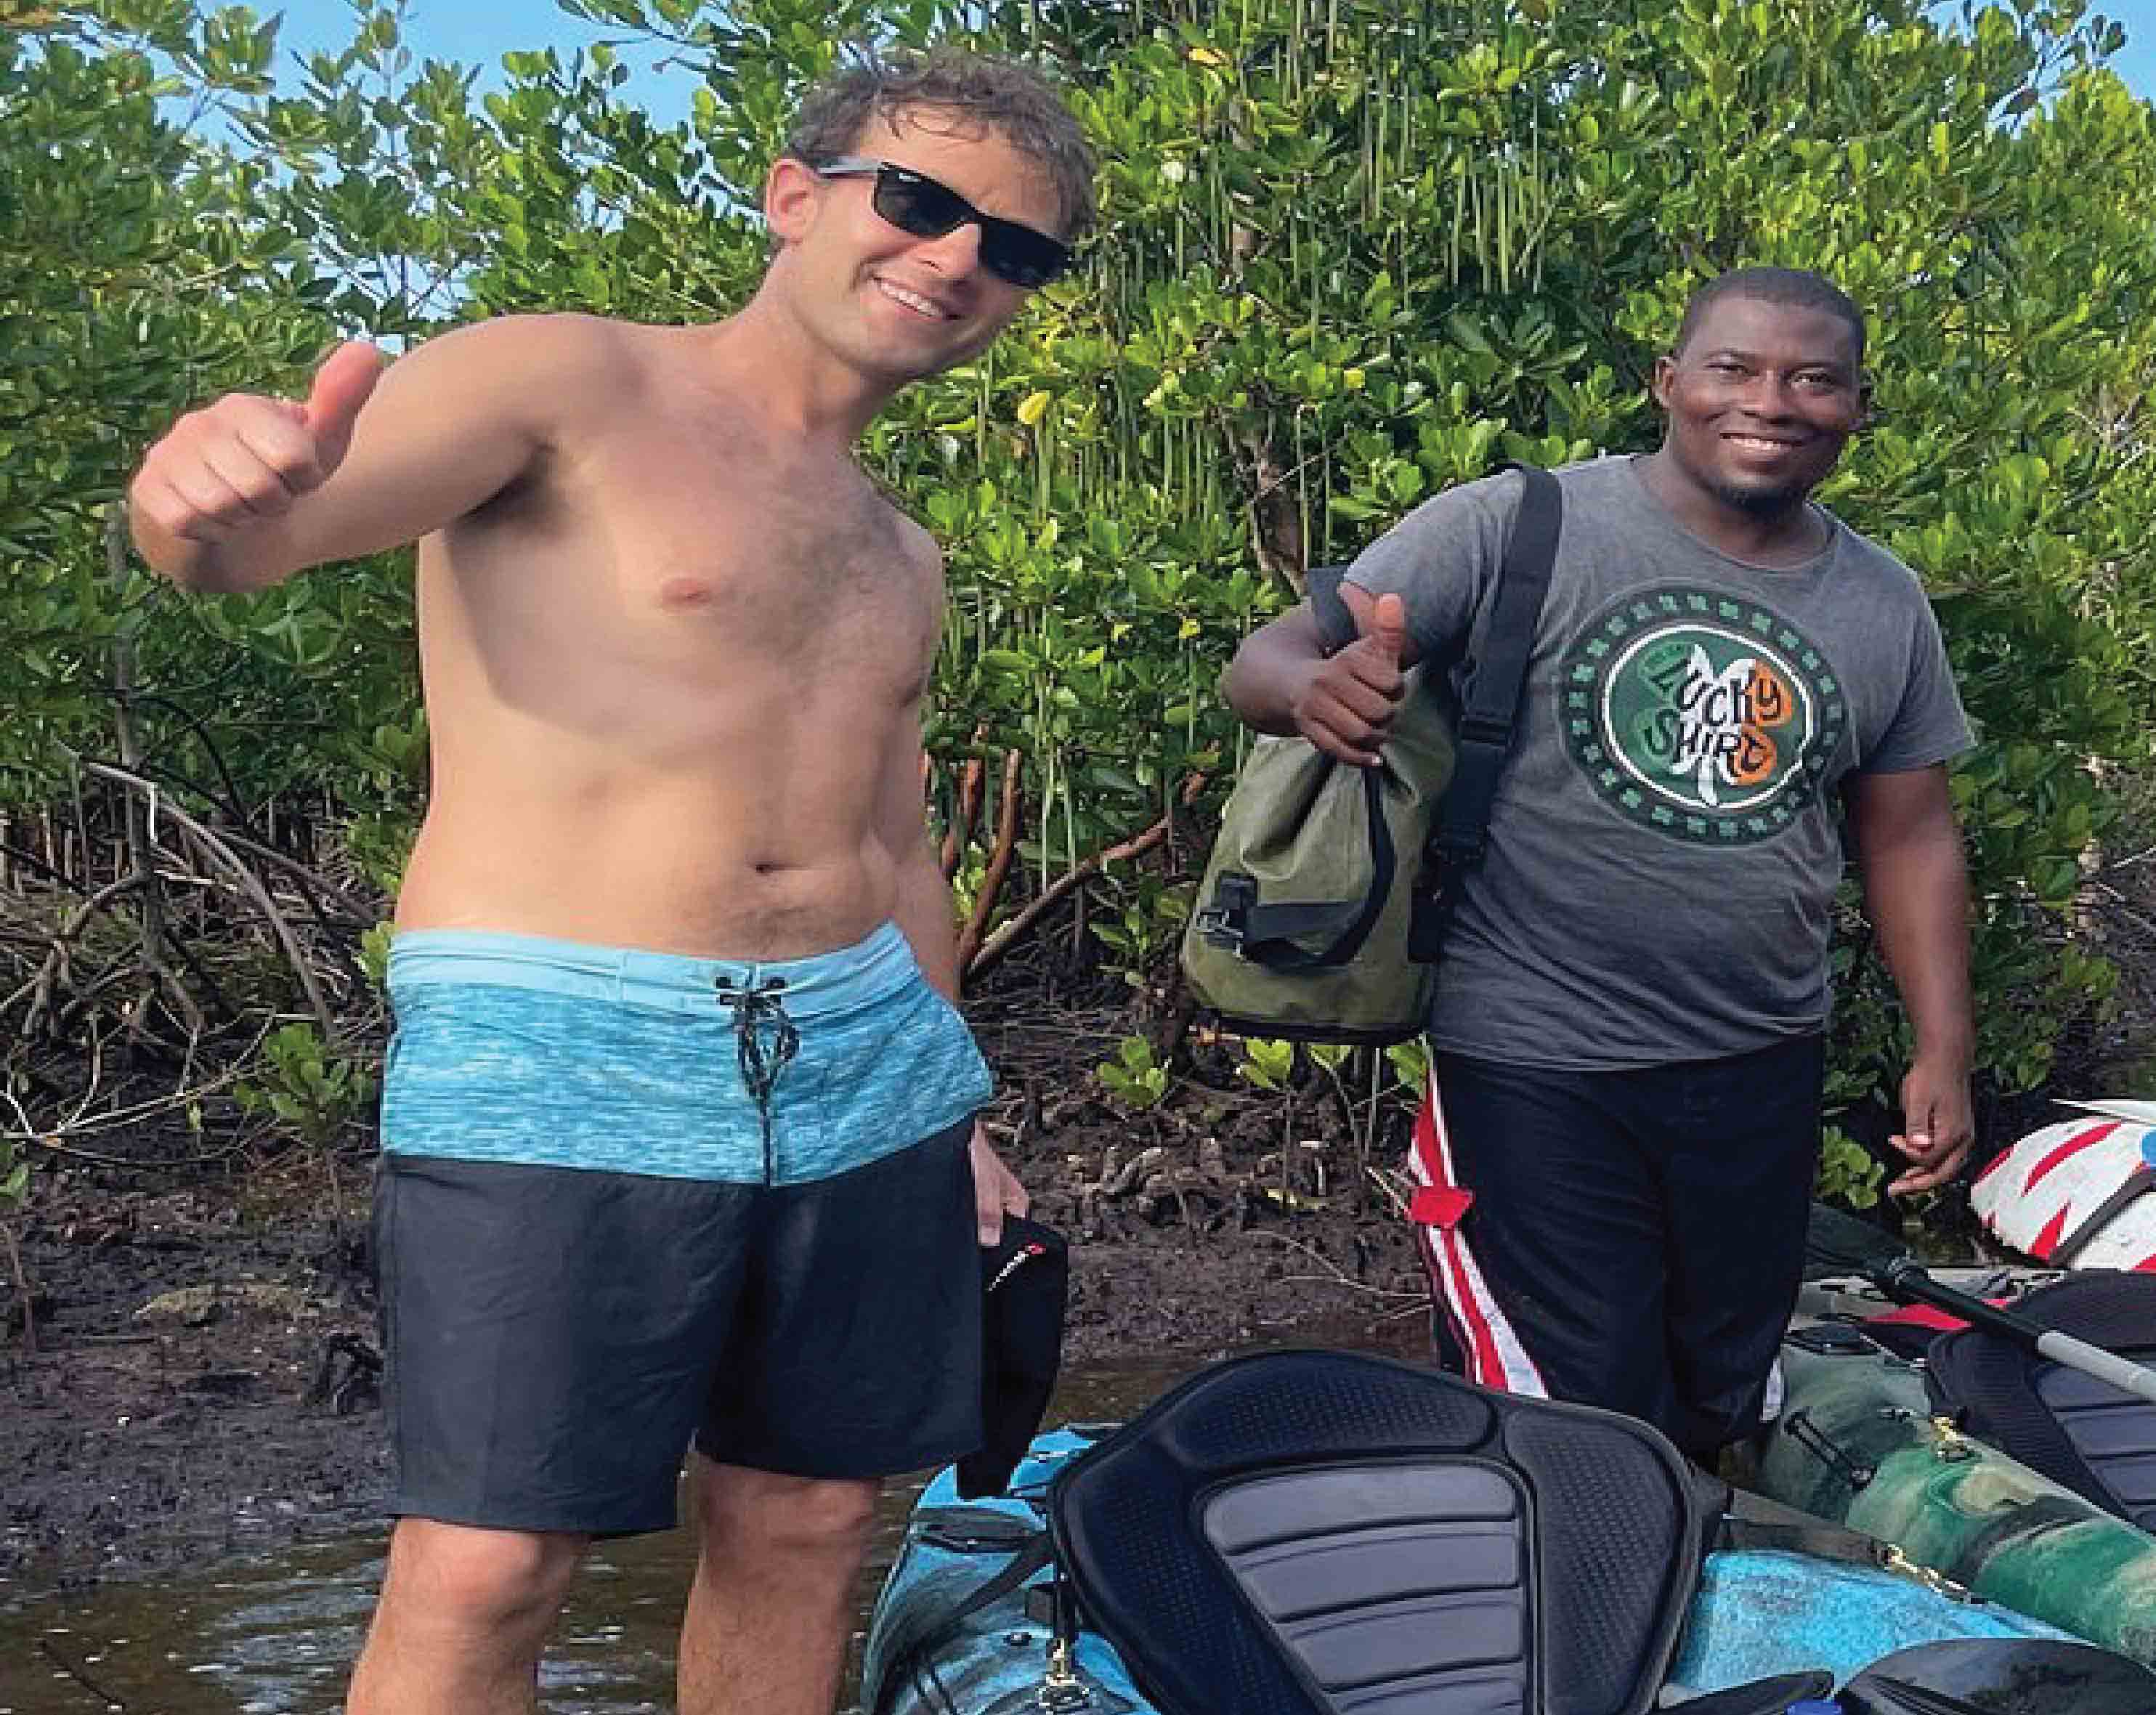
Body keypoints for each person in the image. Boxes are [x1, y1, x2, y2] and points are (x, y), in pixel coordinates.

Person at [121, 50, 1090, 1715]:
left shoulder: (899, 548)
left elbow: (897, 841)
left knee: (808, 1519)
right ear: (794, 199)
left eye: (1013, 248)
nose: (956, 258)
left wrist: (958, 1110)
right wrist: (200, 498)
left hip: (868, 1064)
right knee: (488, 1558)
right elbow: (266, 529)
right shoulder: (564, 377)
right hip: (563, 1033)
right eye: (919, 201)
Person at [1221, 267, 1978, 1461]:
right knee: (1579, 1417)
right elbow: (1264, 657)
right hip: (1531, 1057)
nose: (1769, 401)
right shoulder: (1517, 523)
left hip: (1762, 1058)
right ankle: (1578, 1567)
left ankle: (1683, 1561)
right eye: (1733, 369)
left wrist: (1944, 1047)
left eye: (1811, 380)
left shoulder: (1881, 601)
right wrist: (1312, 689)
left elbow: (1909, 831)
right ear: (1668, 382)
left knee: (1720, 1394)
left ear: (1855, 409)